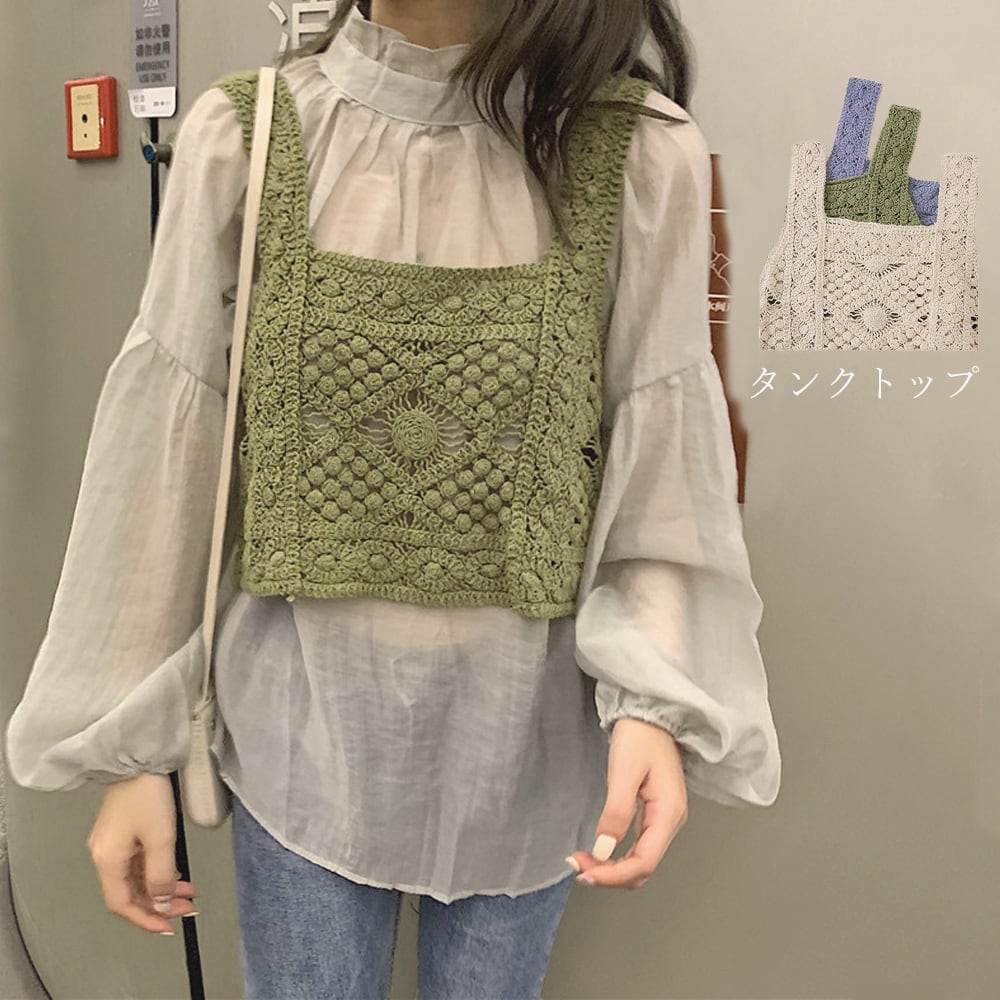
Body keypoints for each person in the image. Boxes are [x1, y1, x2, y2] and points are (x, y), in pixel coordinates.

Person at [5, 1, 781, 996]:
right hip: (301, 740)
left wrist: (656, 698)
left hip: (526, 749)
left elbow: (661, 449)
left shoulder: (637, 156)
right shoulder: (246, 137)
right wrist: (129, 751)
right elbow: (167, 453)